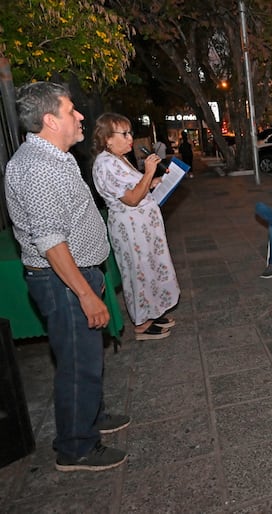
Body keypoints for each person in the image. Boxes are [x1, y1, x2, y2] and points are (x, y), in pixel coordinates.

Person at [4, 82, 129, 471]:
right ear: (49, 120)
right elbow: (51, 242)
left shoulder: (57, 157)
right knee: (77, 363)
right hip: (62, 283)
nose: (79, 117)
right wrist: (85, 293)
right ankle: (75, 446)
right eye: (71, 111)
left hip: (77, 274)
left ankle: (90, 415)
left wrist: (94, 272)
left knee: (85, 356)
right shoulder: (39, 168)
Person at [92, 113, 181, 341]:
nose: (130, 138)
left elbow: (137, 187)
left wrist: (155, 182)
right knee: (139, 271)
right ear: (107, 138)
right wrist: (149, 172)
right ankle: (142, 323)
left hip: (142, 227)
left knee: (149, 267)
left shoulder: (119, 157)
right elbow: (131, 198)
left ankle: (151, 313)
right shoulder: (105, 163)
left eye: (130, 132)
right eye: (124, 133)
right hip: (131, 229)